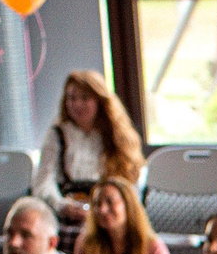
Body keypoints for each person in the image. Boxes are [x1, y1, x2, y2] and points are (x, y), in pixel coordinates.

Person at [32, 70, 143, 225]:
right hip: (68, 213)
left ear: (99, 101)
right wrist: (63, 206)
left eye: (85, 98)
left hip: (107, 214)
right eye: (72, 98)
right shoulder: (57, 134)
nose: (77, 105)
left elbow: (130, 184)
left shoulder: (118, 136)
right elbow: (43, 182)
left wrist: (105, 209)